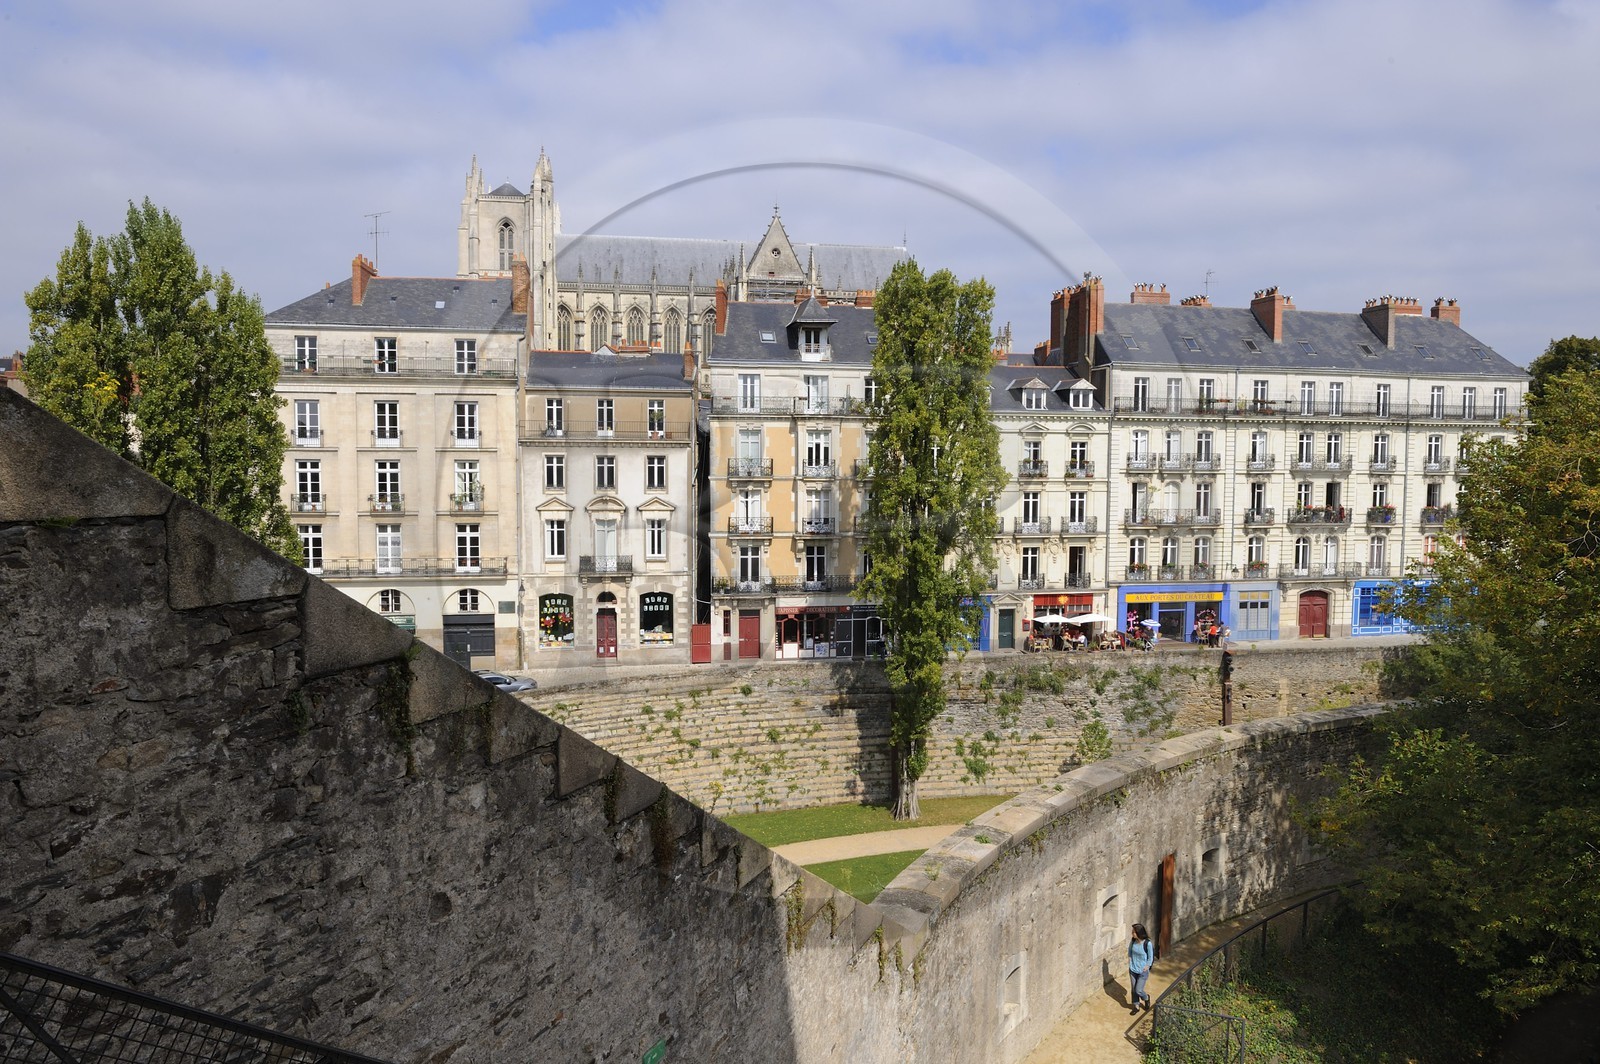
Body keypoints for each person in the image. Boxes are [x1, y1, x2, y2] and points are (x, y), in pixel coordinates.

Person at [1128, 923, 1154, 1013]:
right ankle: (1136, 1006)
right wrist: (1130, 960)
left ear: (1139, 933)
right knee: (1133, 989)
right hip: (1132, 969)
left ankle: (1146, 998)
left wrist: (1147, 966)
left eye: (1134, 932)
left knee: (1138, 990)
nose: (1132, 934)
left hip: (1143, 971)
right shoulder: (1133, 941)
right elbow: (1129, 951)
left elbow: (1150, 957)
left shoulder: (1148, 943)